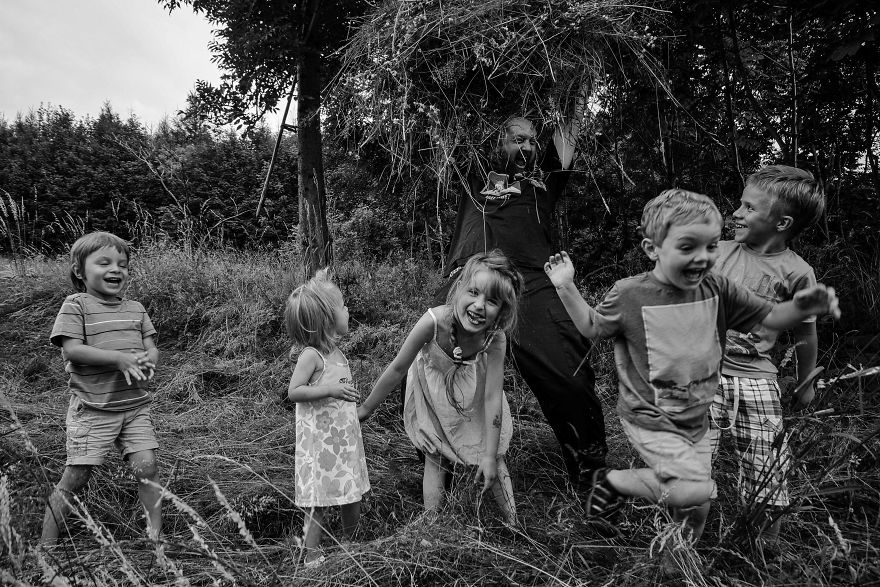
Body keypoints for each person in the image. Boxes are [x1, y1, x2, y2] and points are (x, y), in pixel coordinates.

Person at [543, 189, 839, 545]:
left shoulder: (717, 285)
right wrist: (565, 286)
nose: (703, 258)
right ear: (652, 249)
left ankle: (706, 558)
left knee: (704, 498)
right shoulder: (630, 293)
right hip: (652, 414)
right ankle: (619, 486)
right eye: (688, 248)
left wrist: (805, 304)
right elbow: (593, 328)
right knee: (697, 489)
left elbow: (773, 316)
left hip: (701, 410)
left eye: (711, 246)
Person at [437, 108, 606, 485]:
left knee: (571, 378)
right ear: (496, 143)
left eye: (532, 141)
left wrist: (571, 94)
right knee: (433, 366)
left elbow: (566, 133)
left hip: (532, 280)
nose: (527, 147)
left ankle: (594, 484)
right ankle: (439, 470)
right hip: (471, 274)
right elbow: (454, 110)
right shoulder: (471, 174)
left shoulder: (542, 180)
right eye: (518, 140)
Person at [359, 251, 523, 524]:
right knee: (436, 457)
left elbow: (493, 396)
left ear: (502, 311)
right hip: (434, 394)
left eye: (491, 301)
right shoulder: (433, 322)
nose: (479, 305)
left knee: (495, 457)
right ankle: (433, 526)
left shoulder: (495, 339)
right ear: (459, 289)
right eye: (473, 292)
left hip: (474, 395)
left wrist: (490, 455)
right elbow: (398, 368)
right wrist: (365, 408)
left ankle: (515, 525)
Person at [709, 165, 826, 541]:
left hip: (757, 381)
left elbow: (806, 329)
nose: (736, 213)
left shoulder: (798, 272)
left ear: (781, 222)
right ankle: (678, 545)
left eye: (748, 208)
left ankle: (765, 550)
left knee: (767, 470)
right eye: (739, 204)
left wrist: (806, 382)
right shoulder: (717, 253)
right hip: (704, 378)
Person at [41, 231, 161, 544]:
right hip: (93, 408)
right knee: (77, 478)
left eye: (122, 264)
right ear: (79, 271)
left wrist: (149, 359)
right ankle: (47, 547)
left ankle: (156, 539)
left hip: (134, 406)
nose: (116, 269)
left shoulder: (135, 308)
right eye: (104, 262)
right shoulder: (76, 305)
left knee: (147, 469)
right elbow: (72, 350)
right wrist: (119, 360)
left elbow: (151, 346)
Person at [284, 269, 370, 567]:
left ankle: (350, 542)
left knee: (351, 493)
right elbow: (294, 391)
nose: (348, 310)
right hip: (320, 446)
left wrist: (353, 413)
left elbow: (339, 400)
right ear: (327, 318)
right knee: (317, 501)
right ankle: (311, 554)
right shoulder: (311, 356)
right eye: (343, 306)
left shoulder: (337, 353)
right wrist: (331, 389)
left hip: (343, 440)